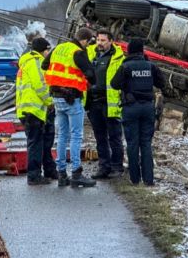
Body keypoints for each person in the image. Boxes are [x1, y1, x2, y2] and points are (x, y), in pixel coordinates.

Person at [42, 27, 97, 188]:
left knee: (62, 136)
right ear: (85, 41)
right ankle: (76, 173)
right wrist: (87, 81)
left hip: (57, 97)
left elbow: (45, 65)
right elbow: (91, 73)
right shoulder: (78, 52)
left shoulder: (58, 48)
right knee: (76, 136)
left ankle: (61, 174)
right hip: (72, 98)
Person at [112, 38, 163, 186]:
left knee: (132, 143)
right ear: (142, 51)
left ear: (129, 51)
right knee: (146, 143)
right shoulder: (151, 66)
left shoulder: (125, 66)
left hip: (131, 108)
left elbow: (114, 84)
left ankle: (135, 179)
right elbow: (161, 83)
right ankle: (149, 179)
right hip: (148, 108)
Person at [16, 37, 57, 185]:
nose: (48, 53)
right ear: (43, 50)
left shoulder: (26, 61)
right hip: (34, 110)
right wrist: (51, 102)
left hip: (29, 109)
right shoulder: (35, 62)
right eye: (48, 50)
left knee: (43, 142)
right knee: (36, 144)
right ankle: (34, 176)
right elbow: (40, 85)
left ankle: (50, 170)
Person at [86, 29, 126, 179]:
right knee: (99, 137)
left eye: (103, 40)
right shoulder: (90, 54)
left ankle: (117, 167)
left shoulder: (118, 57)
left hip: (110, 103)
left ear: (111, 41)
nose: (100, 43)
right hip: (93, 103)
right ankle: (104, 167)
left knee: (115, 137)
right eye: (98, 40)